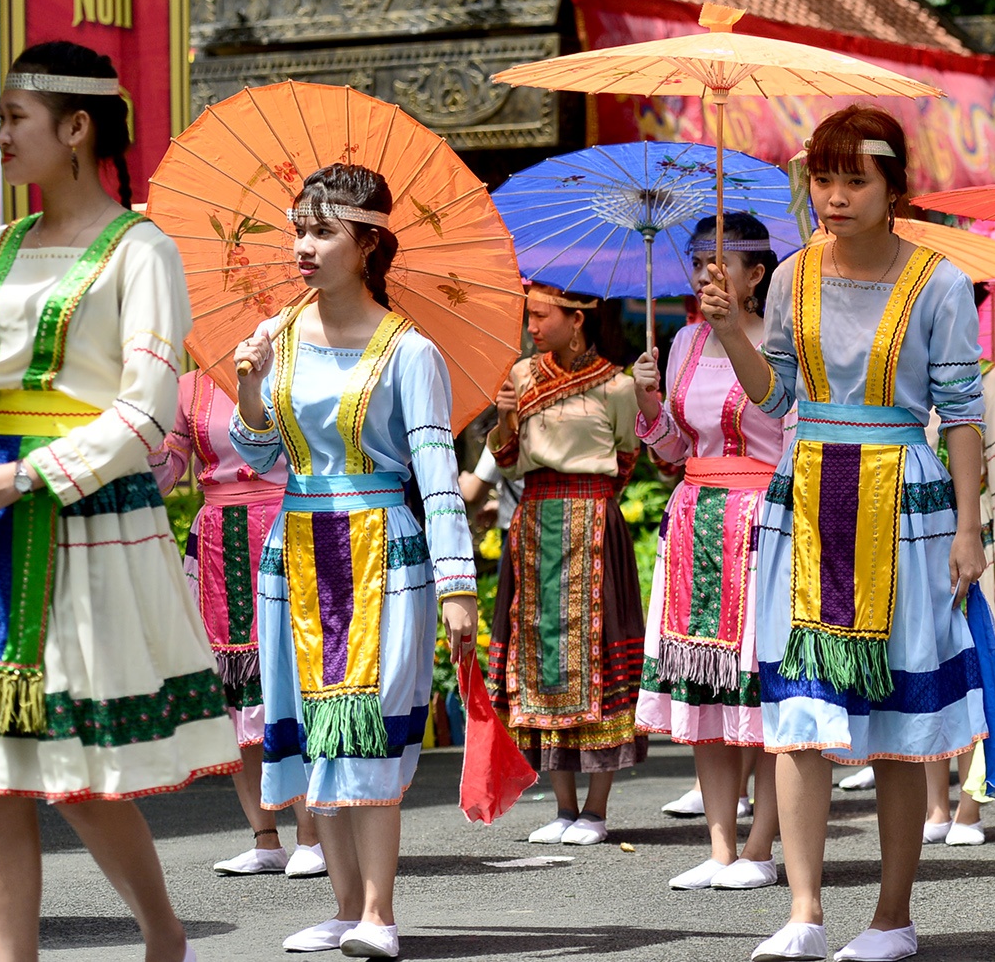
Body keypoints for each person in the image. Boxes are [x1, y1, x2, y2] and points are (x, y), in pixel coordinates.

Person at [0, 42, 239, 962]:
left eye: (12, 119)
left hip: (79, 516)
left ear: (77, 128)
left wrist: (26, 474)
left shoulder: (142, 248)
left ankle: (164, 933)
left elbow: (148, 408)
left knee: (77, 771)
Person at [706, 104, 987, 962]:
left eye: (854, 178)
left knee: (903, 722)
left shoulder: (938, 282)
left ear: (894, 185)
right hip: (809, 499)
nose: (834, 195)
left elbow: (965, 414)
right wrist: (728, 329)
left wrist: (972, 529)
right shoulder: (790, 275)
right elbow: (776, 396)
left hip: (905, 501)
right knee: (799, 711)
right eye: (823, 178)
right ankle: (802, 909)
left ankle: (893, 918)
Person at [230, 163, 478, 960]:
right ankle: (341, 907)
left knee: (364, 728)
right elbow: (261, 451)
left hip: (381, 552)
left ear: (368, 243)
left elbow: (438, 477)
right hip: (295, 547)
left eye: (322, 230)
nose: (303, 246)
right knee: (311, 730)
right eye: (299, 229)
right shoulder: (280, 338)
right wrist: (247, 389)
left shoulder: (410, 352)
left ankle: (378, 911)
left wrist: (457, 587)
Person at [634, 212, 786, 889]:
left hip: (764, 524)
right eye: (699, 260)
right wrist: (648, 406)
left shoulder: (783, 342)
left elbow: (791, 431)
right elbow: (671, 452)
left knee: (770, 690)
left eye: (723, 261)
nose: (706, 272)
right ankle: (721, 845)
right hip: (694, 520)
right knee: (706, 688)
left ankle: (761, 846)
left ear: (757, 274)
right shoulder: (685, 341)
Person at [488, 283, 646, 845]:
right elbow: (507, 460)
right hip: (534, 522)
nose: (531, 326)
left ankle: (597, 811)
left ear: (577, 319)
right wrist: (505, 420)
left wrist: (592, 504)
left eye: (540, 315)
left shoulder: (617, 385)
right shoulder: (522, 377)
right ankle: (562, 805)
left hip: (592, 527)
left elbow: (627, 459)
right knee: (539, 655)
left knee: (597, 655)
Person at [150, 369, 323, 880]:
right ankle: (264, 837)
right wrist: (141, 432)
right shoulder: (189, 386)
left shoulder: (291, 366)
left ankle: (311, 834)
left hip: (285, 527)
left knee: (289, 681)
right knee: (233, 690)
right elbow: (164, 474)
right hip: (217, 539)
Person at [923, 299, 995, 847]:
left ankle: (970, 804)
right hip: (914, 533)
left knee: (976, 667)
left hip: (974, 535)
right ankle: (934, 803)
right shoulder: (899, 375)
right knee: (924, 662)